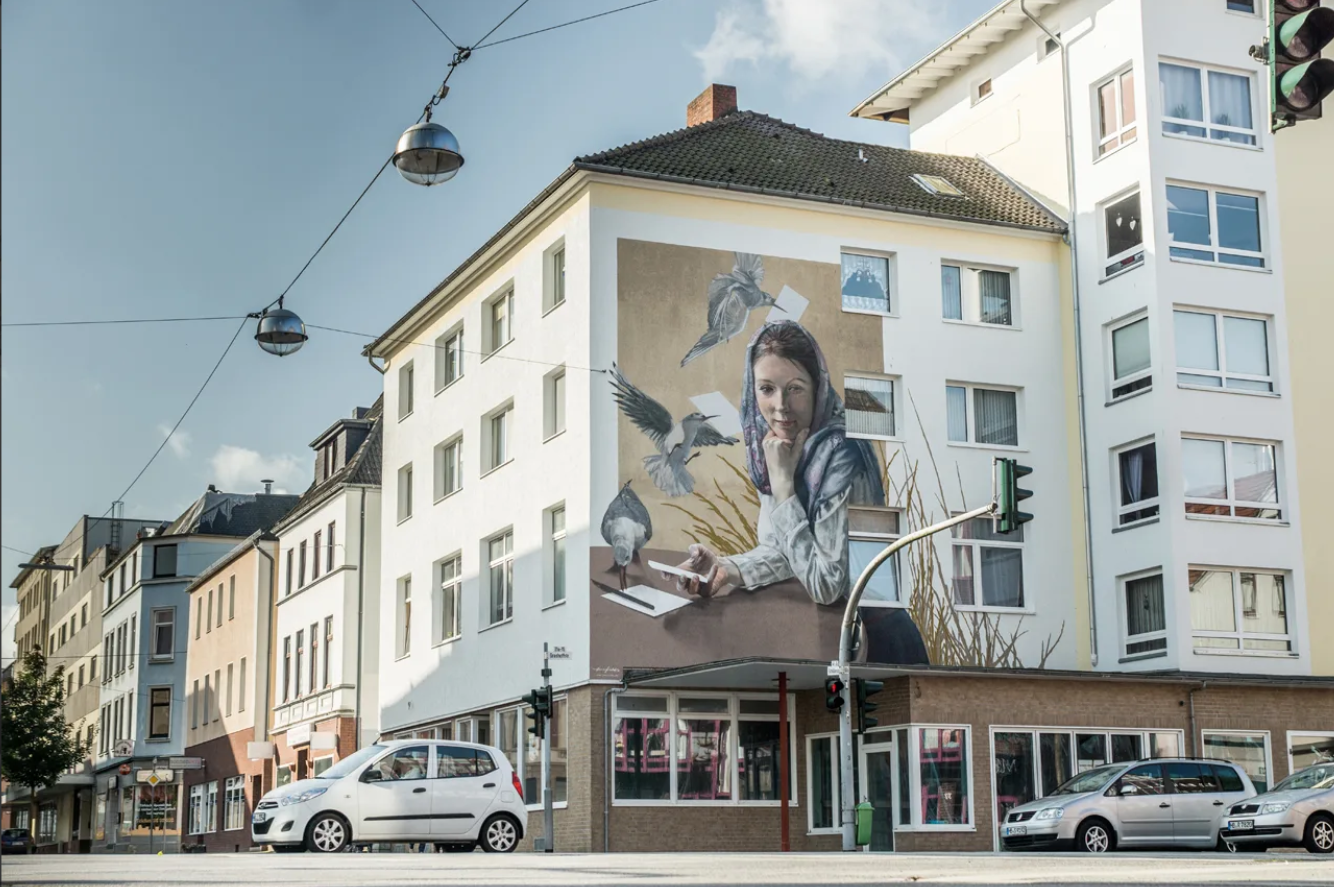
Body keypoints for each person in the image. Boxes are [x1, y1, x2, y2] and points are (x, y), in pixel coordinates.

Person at [669, 320, 928, 665]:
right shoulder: (781, 449)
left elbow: (825, 582)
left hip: (877, 648)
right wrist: (725, 570)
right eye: (766, 389)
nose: (780, 406)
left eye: (794, 388)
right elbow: (787, 553)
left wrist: (784, 487)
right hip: (829, 641)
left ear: (817, 386)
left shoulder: (841, 452)